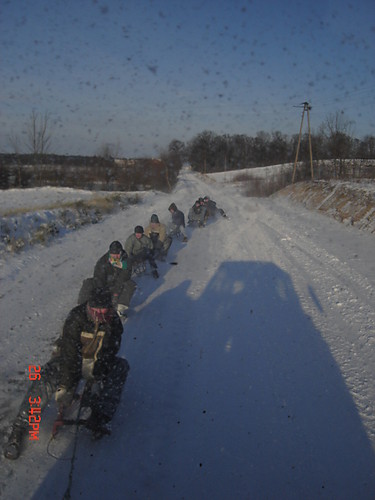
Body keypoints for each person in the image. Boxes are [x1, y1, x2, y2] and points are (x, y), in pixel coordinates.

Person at [3, 288, 129, 460]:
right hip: (72, 361)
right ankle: (21, 425)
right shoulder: (76, 318)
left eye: (104, 310)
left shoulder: (113, 321)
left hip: (96, 362)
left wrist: (97, 373)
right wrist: (66, 386)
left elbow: (112, 349)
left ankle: (101, 415)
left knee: (120, 367)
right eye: (96, 310)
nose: (99, 314)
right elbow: (69, 354)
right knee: (45, 377)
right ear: (89, 307)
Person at [77, 241, 136, 318]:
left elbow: (124, 277)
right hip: (104, 285)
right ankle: (82, 307)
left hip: (117, 285)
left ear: (121, 253)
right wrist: (102, 292)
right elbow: (98, 277)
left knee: (130, 284)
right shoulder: (103, 261)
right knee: (88, 282)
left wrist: (116, 292)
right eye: (112, 255)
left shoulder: (126, 261)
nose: (115, 257)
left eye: (117, 254)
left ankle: (119, 309)